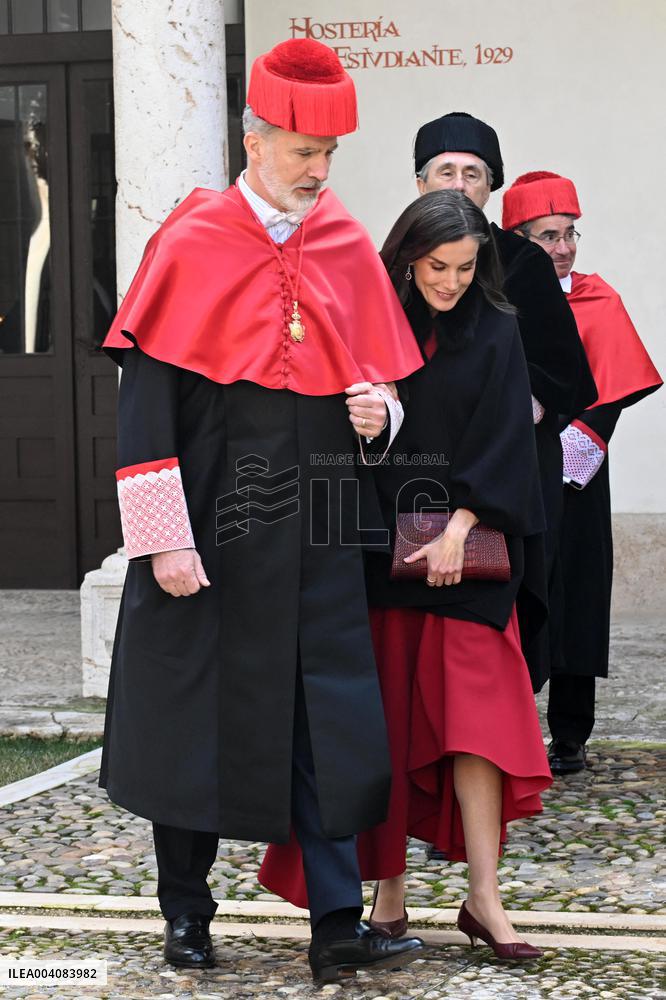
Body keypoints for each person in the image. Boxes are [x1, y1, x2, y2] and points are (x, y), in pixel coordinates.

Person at [100, 38, 426, 984]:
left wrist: (383, 416)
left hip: (319, 525)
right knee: (193, 718)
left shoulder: (346, 242)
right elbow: (146, 406)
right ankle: (187, 917)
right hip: (209, 527)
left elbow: (385, 388)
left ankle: (336, 923)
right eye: (300, 154)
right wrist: (162, 538)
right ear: (253, 141)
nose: (318, 174)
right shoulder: (190, 238)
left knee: (327, 718)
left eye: (329, 156)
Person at [259, 190, 552, 961]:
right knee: (381, 730)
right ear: (406, 257)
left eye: (464, 267)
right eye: (435, 266)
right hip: (380, 557)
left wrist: (461, 526)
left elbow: (506, 445)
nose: (450, 281)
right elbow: (325, 433)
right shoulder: (366, 322)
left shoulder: (498, 329)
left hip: (474, 558)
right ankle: (386, 899)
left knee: (477, 732)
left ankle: (484, 898)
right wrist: (363, 424)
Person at [413, 113, 597, 693]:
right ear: (421, 184)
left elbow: (564, 373)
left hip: (510, 467)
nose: (459, 184)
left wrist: (504, 425)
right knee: (419, 604)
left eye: (473, 173)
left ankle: (496, 732)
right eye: (446, 172)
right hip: (419, 467)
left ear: (491, 186)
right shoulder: (396, 261)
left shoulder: (525, 264)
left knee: (497, 610)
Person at [502, 171, 662, 773]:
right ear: (520, 241)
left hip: (580, 467)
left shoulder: (599, 297)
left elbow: (613, 386)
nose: (565, 247)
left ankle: (570, 732)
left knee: (577, 590)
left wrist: (578, 443)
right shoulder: (500, 296)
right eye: (549, 236)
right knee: (522, 588)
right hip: (517, 466)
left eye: (570, 234)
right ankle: (510, 727)